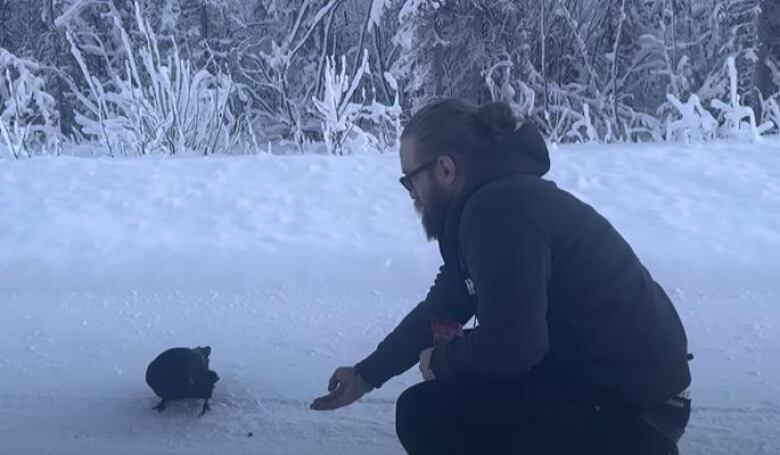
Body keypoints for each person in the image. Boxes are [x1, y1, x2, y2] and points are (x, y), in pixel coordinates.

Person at [310, 98, 692, 454]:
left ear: (445, 168)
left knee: (427, 413)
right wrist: (365, 375)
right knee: (453, 395)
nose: (412, 194)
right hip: (610, 388)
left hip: (635, 408)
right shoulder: (497, 202)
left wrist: (444, 360)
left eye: (410, 178)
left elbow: (514, 345)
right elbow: (442, 309)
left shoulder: (498, 211)